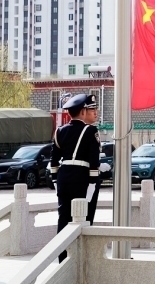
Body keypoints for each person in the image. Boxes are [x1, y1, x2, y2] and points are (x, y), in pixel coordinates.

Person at [49, 94, 101, 263]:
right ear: (83, 111)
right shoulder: (90, 131)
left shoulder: (60, 131)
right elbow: (94, 161)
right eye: (91, 109)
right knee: (84, 218)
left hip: (64, 177)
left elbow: (53, 161)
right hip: (82, 178)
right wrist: (92, 184)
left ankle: (63, 259)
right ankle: (80, 258)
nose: (95, 112)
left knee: (64, 218)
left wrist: (55, 181)